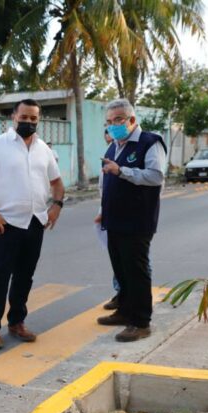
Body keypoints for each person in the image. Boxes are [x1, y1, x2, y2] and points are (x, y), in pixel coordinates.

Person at [0, 98, 65, 350]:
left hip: (35, 222)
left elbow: (57, 182)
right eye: (24, 117)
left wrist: (56, 206)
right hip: (5, 224)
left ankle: (17, 322)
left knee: (25, 276)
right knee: (0, 276)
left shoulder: (44, 149)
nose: (29, 122)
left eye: (34, 118)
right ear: (13, 117)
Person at [97, 99, 167, 343]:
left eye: (118, 120)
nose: (113, 126)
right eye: (109, 122)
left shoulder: (149, 142)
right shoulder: (114, 146)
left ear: (132, 120)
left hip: (137, 220)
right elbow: (105, 182)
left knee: (136, 270)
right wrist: (101, 208)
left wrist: (122, 171)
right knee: (121, 268)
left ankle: (140, 321)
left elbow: (156, 176)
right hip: (114, 219)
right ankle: (124, 310)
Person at [96, 128, 120, 311]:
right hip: (111, 213)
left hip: (134, 217)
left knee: (136, 262)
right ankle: (121, 295)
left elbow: (155, 180)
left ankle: (137, 303)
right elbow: (104, 186)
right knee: (117, 258)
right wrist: (102, 209)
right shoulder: (110, 151)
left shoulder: (146, 145)